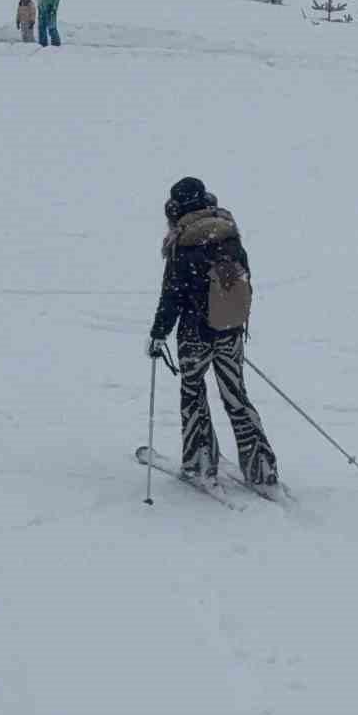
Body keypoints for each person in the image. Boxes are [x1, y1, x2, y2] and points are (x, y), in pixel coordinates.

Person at [147, 177, 278, 486]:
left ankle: (200, 463)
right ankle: (261, 468)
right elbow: (242, 283)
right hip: (230, 331)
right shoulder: (229, 235)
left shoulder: (182, 243)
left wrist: (158, 334)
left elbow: (171, 297)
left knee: (193, 395)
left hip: (194, 336)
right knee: (237, 397)